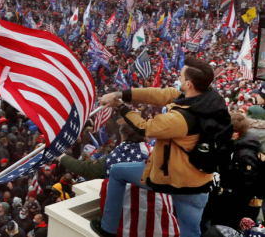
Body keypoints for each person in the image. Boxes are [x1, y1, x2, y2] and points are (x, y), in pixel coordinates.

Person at [92, 57, 231, 237]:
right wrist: (120, 94)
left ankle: (108, 228)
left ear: (188, 84)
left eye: (181, 77)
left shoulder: (180, 119)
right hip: (200, 181)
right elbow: (159, 94)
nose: (178, 80)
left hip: (173, 179)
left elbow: (145, 128)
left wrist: (122, 107)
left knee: (117, 173)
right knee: (191, 231)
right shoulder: (210, 99)